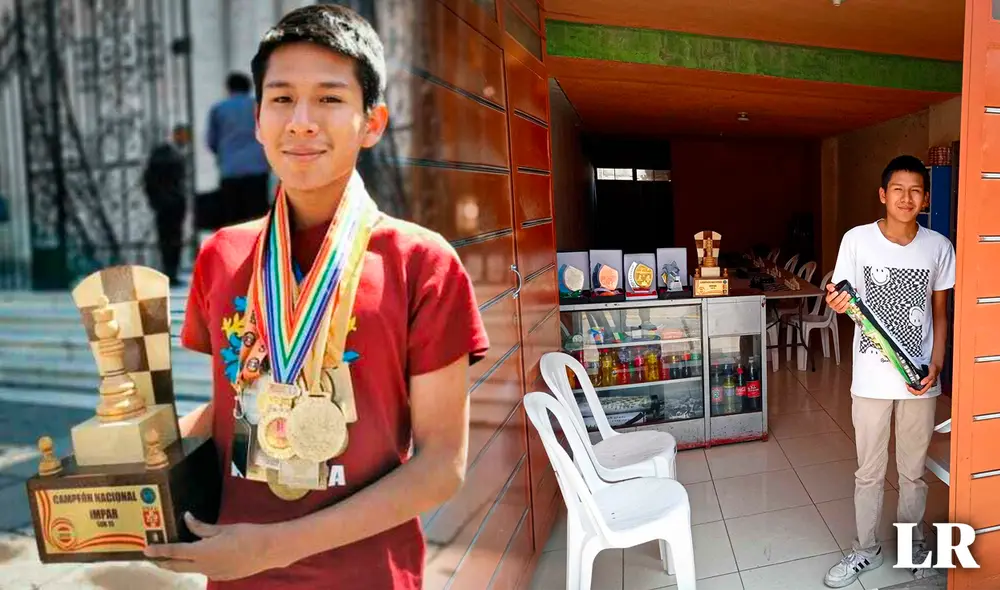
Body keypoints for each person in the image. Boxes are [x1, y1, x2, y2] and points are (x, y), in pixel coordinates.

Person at [145, 6, 489, 588]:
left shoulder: (422, 264)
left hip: (368, 576)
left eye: (330, 98)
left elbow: (441, 466)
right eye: (282, 98)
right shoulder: (223, 255)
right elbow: (235, 404)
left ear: (372, 122)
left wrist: (273, 547)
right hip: (235, 574)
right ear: (258, 120)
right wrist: (143, 447)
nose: (301, 122)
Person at [823, 155, 955, 588]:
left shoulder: (939, 247)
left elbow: (940, 311)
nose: (906, 198)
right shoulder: (857, 240)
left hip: (920, 380)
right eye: (898, 189)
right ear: (883, 194)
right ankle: (866, 548)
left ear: (926, 198)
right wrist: (836, 304)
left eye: (915, 190)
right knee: (869, 471)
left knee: (913, 472)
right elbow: (843, 299)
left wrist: (937, 363)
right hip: (871, 379)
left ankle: (912, 547)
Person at [207, 72, 272, 226]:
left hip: (230, 171)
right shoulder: (260, 107)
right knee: (258, 219)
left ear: (228, 88)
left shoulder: (218, 109)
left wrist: (224, 154)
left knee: (233, 220)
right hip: (258, 169)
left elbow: (211, 141)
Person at [142, 125, 190, 285]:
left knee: (169, 239)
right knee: (171, 239)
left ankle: (171, 272)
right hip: (170, 203)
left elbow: (149, 180)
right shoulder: (168, 154)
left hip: (168, 203)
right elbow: (153, 180)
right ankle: (170, 272)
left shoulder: (168, 153)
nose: (185, 140)